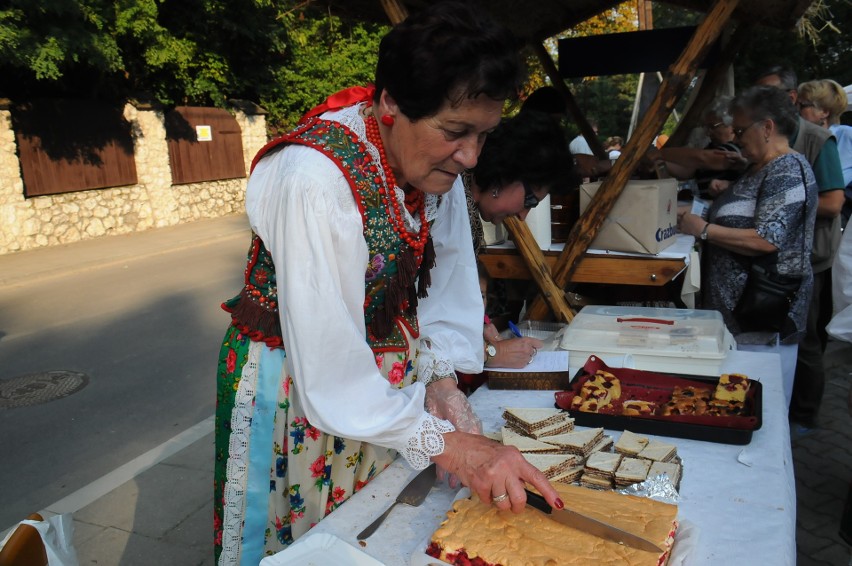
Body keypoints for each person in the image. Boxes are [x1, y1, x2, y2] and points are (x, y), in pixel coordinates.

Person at [213, 4, 562, 562]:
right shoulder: (312, 179)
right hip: (299, 390)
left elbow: (443, 289)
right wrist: (447, 445)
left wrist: (443, 385)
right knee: (311, 544)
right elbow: (331, 367)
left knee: (375, 529)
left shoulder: (436, 169)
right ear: (392, 103)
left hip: (381, 389)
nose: (471, 157)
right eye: (455, 132)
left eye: (483, 135)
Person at [678, 86, 817, 406]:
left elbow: (768, 238)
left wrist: (705, 230)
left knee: (758, 401)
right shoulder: (759, 167)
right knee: (736, 399)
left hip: (762, 317)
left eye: (741, 130)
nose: (737, 137)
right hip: (739, 316)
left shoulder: (787, 169)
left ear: (767, 128)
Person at [755, 66, 846, 432]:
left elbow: (834, 203)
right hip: (777, 259)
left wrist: (781, 205)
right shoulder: (769, 135)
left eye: (766, 94)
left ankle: (804, 417)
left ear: (791, 99)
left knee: (804, 336)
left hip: (812, 257)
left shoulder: (817, 140)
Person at [463, 111, 578, 370]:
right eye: (529, 201)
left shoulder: (467, 201)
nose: (523, 216)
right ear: (505, 174)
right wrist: (490, 353)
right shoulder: (450, 198)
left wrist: (481, 324)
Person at [797, 79, 852, 226]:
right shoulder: (800, 138)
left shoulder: (845, 134)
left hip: (831, 224)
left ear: (824, 112)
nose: (797, 110)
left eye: (803, 105)